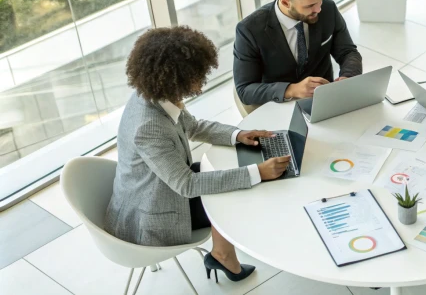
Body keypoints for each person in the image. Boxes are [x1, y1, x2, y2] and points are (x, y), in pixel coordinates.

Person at [105, 26, 291, 283]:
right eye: (196, 77)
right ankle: (223, 254)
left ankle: (223, 249)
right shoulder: (148, 126)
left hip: (157, 187)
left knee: (231, 171)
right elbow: (186, 184)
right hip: (154, 214)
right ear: (176, 78)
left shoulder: (153, 94)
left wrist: (238, 135)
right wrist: (258, 172)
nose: (200, 84)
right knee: (240, 189)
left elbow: (192, 126)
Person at [233, 0, 362, 105]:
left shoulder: (328, 9)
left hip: (324, 102)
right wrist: (292, 89)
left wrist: (348, 77)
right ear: (286, 2)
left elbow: (348, 52)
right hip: (279, 106)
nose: (319, 9)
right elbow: (245, 90)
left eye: (321, 0)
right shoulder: (249, 30)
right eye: (310, 5)